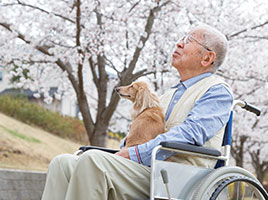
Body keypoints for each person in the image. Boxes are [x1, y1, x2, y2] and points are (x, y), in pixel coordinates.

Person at [41, 25, 233, 200]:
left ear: (207, 58)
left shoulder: (217, 91)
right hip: (149, 170)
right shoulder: (167, 96)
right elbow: (140, 136)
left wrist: (134, 153)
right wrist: (128, 146)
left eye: (189, 40)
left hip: (180, 177)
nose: (179, 43)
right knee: (63, 163)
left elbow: (191, 134)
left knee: (94, 161)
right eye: (182, 38)